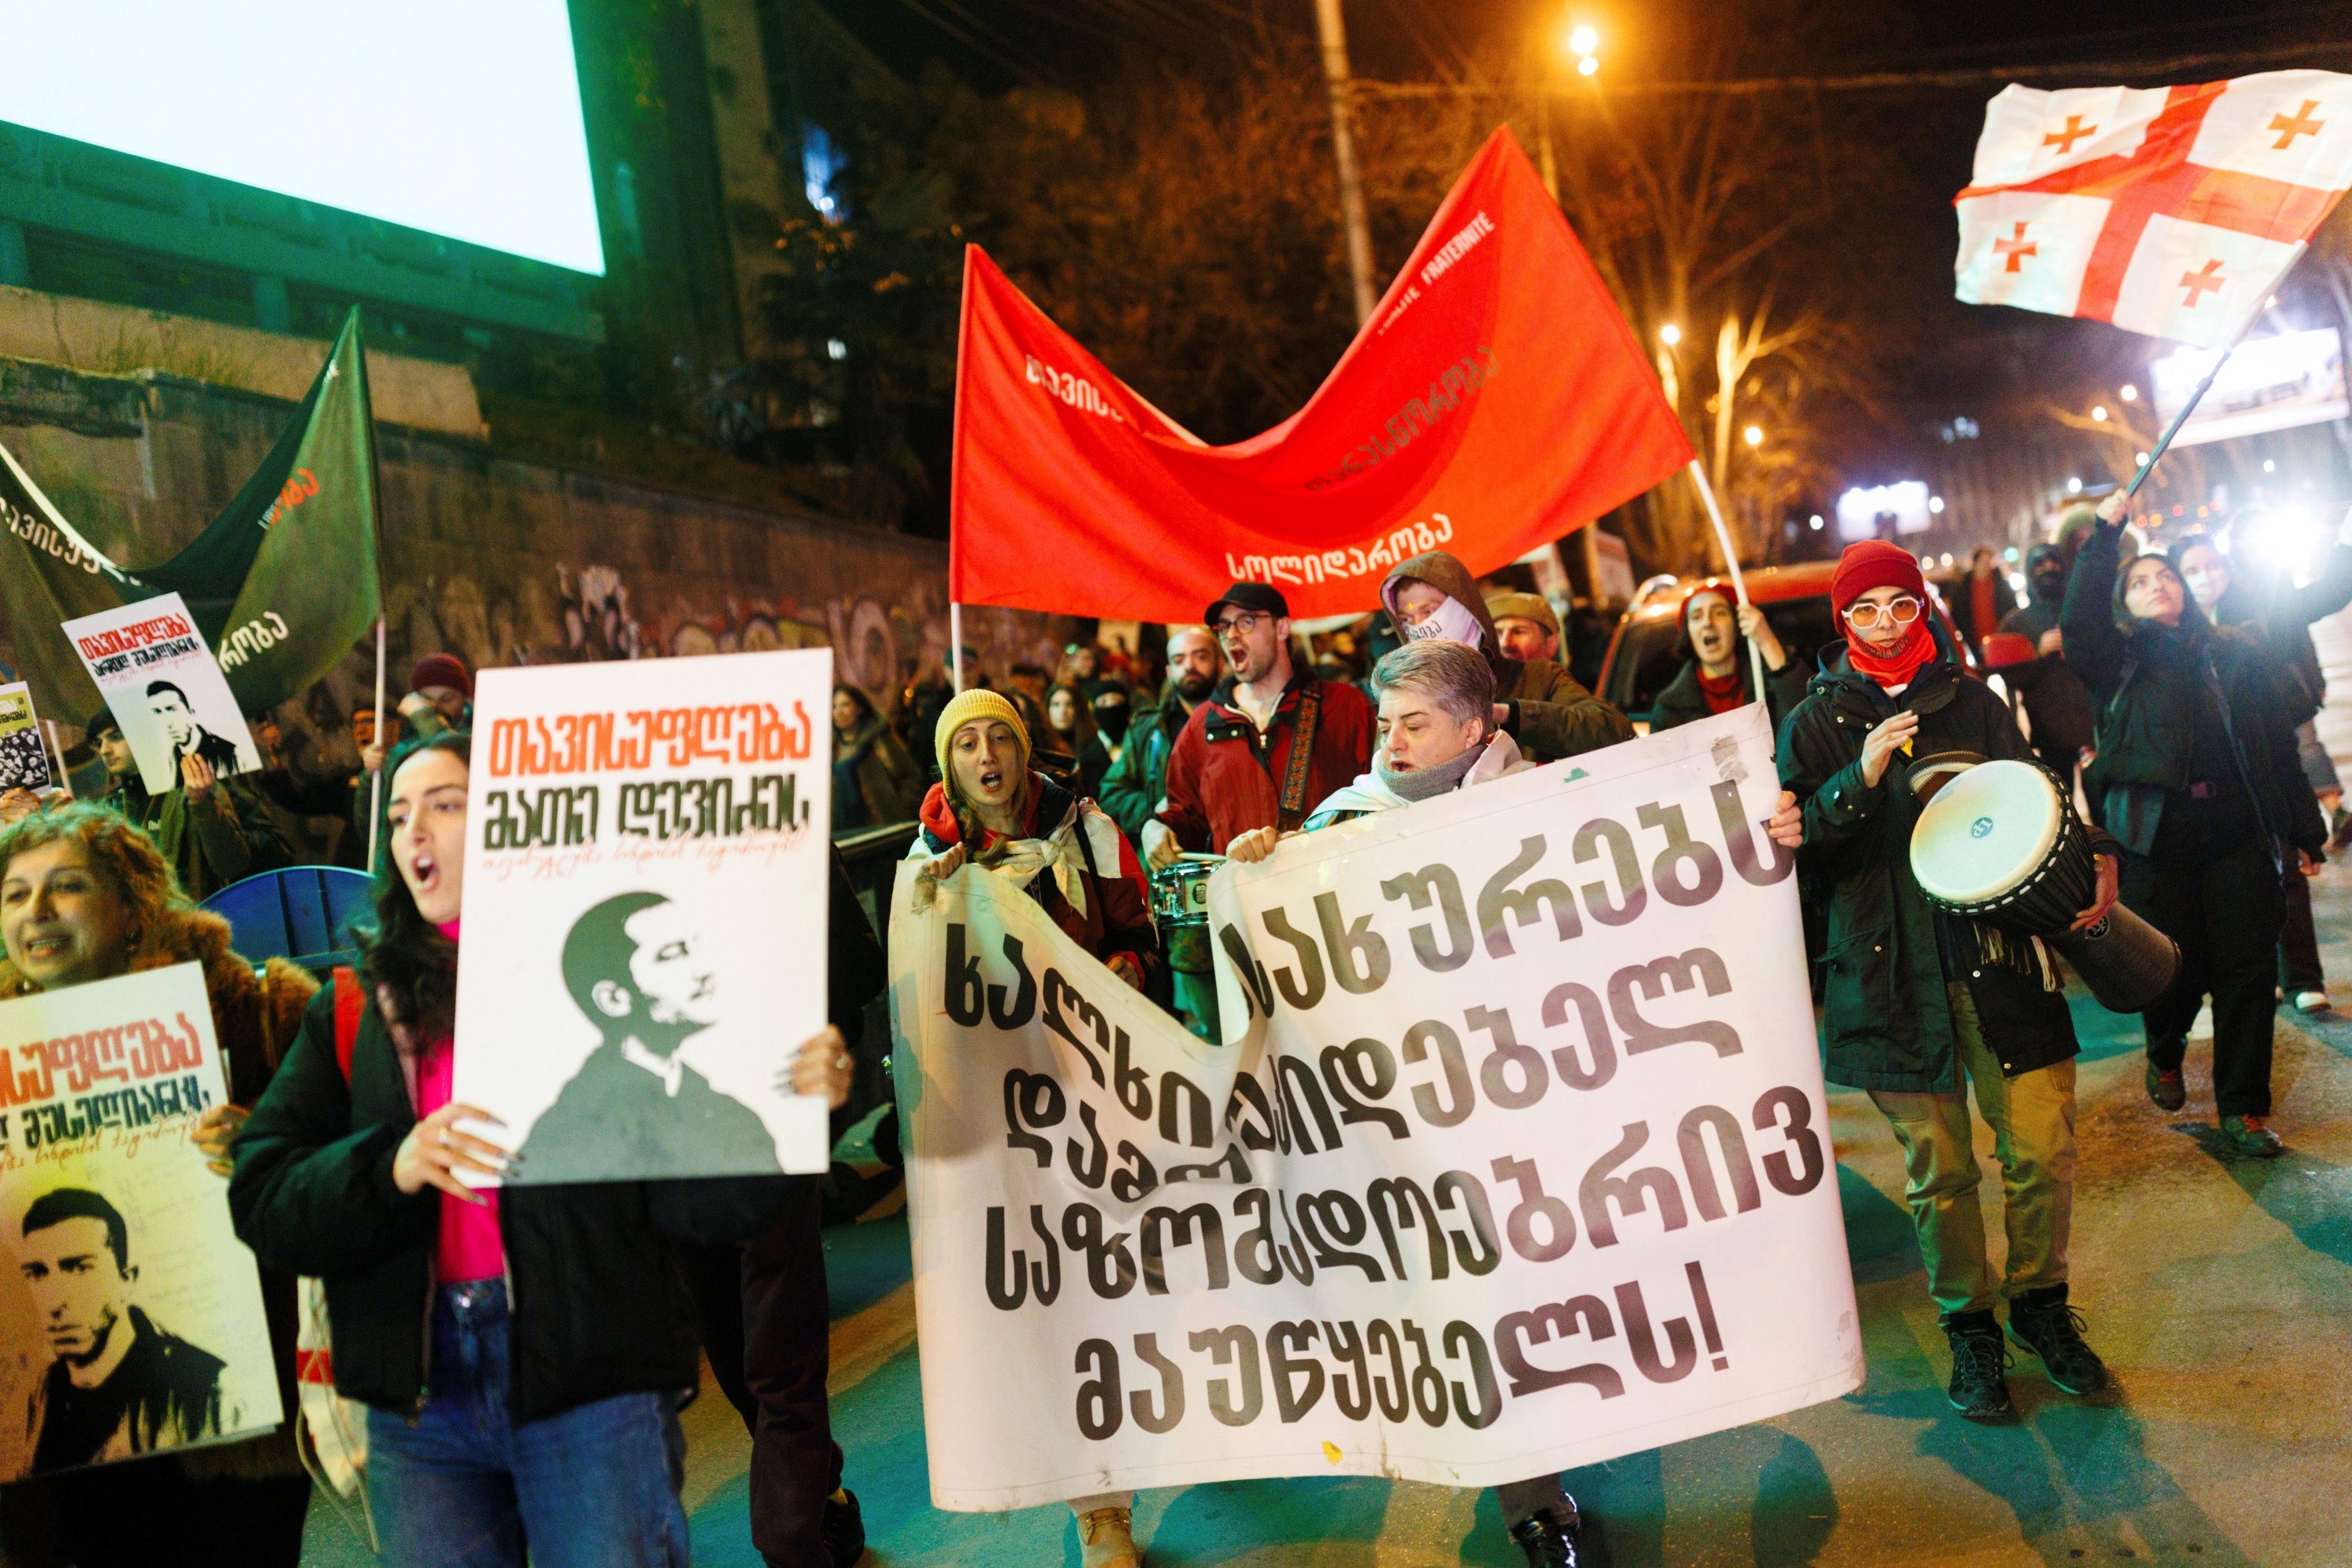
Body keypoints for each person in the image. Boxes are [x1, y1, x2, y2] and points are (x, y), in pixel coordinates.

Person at [228, 731, 855, 1567]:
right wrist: (392, 1166)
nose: (416, 828)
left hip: (591, 1379)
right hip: (423, 1406)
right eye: (401, 813)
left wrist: (790, 1112)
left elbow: (699, 1205)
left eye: (445, 804)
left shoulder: (590, 1004)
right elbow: (263, 1189)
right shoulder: (351, 1011)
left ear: (507, 825)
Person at [1231, 641, 1786, 1566]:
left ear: (1476, 726)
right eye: (1386, 723)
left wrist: (1762, 830)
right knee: (1476, 1304)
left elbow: (1655, 895)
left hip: (1544, 1114)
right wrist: (1260, 872)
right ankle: (1536, 1502)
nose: (1393, 741)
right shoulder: (1338, 826)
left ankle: (1593, 1425)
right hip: (1422, 1125)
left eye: (1415, 722)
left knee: (1557, 1294)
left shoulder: (1554, 809)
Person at [1782, 539, 2120, 1420]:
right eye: (1865, 609)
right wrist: (1858, 777)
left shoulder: (1972, 698)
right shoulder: (1814, 716)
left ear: (1923, 607)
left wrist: (2085, 863)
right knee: (1939, 1171)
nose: (1885, 624)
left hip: (1999, 955)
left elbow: (2033, 794)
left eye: (1900, 604)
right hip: (1890, 972)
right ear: (1842, 621)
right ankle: (1969, 1327)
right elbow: (1798, 846)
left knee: (2042, 1146)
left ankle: (2042, 1306)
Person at [0, 800, 318, 1566]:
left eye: (65, 886)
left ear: (133, 909)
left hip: (232, 1419)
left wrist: (264, 1153)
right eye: (14, 892)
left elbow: (350, 1195)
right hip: (59, 1432)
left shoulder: (259, 1014)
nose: (35, 912)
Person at [908, 691, 1159, 1568]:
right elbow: (912, 1001)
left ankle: (1163, 1448)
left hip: (1101, 1092)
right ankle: (1102, 1510)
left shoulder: (1087, 832)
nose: (987, 755)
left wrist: (1103, 975)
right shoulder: (927, 859)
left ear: (1024, 751)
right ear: (949, 763)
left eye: (1000, 738)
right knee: (1057, 1306)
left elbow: (1146, 938)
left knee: (1124, 1292)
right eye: (966, 742)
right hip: (1001, 1117)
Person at [2062, 497, 2327, 1157]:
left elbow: (2274, 748)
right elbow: (2078, 622)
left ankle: (2244, 1110)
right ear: (2126, 601)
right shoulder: (2117, 661)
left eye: (2167, 577)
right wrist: (2105, 538)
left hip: (2236, 831)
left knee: (2243, 970)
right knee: (2174, 968)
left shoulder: (2233, 654)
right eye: (2142, 581)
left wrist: (2303, 828)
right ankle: (2166, 1046)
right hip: (2155, 839)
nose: (2158, 586)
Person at [678, 841, 888, 1568]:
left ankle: (793, 1537)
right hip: (675, 1126)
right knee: (734, 1342)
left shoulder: (785, 810)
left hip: (772, 1112)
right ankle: (815, 1494)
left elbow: (860, 966)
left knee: (777, 1350)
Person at [2176, 520, 2352, 1012]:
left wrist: (2342, 544)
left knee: (2287, 867)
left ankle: (2303, 977)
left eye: (2211, 564)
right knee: (2236, 881)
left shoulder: (2262, 606)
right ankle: (2262, 971)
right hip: (2208, 779)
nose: (2205, 576)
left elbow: (2331, 591)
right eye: (2191, 569)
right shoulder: (2169, 634)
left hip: (2267, 756)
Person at [514, 891, 786, 1182]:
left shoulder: (731, 1117)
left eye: (697, 947)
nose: (706, 970)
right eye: (673, 954)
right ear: (614, 1000)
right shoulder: (565, 1137)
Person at [1142, 584, 1377, 869]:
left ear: (1282, 628)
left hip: (1341, 887)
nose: (1231, 635)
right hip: (1244, 901)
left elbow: (1378, 796)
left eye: (1246, 622)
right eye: (1225, 626)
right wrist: (1156, 828)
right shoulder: (1200, 727)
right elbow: (1186, 816)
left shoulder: (1344, 706)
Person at [19, 1188, 230, 1471]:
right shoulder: (39, 1395)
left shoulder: (207, 1388)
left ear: (127, 1281)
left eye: (79, 1268)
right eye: (37, 1273)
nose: (55, 1302)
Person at [1379, 551, 1633, 763]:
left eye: (1429, 611)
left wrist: (1509, 715)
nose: (1420, 626)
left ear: (1463, 608)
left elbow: (1613, 732)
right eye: (1406, 619)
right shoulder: (1401, 700)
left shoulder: (1538, 678)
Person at [86, 706, 285, 905]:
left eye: (116, 737)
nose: (104, 751)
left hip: (197, 924)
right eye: (98, 742)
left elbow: (231, 865)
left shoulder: (193, 789)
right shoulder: (109, 807)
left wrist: (200, 803)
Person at [1100, 626, 1221, 844]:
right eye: (1178, 660)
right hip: (1173, 860)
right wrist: (1154, 811)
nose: (1189, 666)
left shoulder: (1242, 721)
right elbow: (1112, 795)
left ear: (1220, 663)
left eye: (1200, 656)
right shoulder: (1148, 729)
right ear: (1168, 672)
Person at [1996, 540, 2099, 787]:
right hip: (2051, 734)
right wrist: (2038, 654)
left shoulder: (2083, 612)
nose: (2048, 569)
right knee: (2062, 808)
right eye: (2040, 565)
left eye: (2053, 562)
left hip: (2092, 729)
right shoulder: (2017, 623)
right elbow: (2011, 676)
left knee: (2102, 807)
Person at [1646, 583, 1805, 732]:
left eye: (1720, 613)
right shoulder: (1670, 709)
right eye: (1697, 617)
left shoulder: (1770, 686)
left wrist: (1766, 641)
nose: (1708, 622)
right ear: (1689, 633)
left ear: (1737, 624)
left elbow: (1808, 720)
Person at [831, 684, 926, 830]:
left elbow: (911, 777)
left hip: (883, 831)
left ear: (859, 709)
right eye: (834, 707)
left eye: (845, 705)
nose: (839, 712)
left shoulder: (879, 739)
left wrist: (900, 811)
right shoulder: (830, 749)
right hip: (845, 835)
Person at [147, 681, 243, 778]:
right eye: (158, 712)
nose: (167, 722)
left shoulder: (231, 754)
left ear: (191, 713)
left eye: (172, 709)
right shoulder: (169, 760)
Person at [1946, 546, 2017, 658]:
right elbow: (1957, 616)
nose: (1986, 566)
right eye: (1982, 562)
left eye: (1989, 561)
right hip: (1974, 644)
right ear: (1975, 564)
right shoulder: (1963, 590)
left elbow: (2013, 611)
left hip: (2000, 642)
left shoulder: (2002, 586)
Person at [1045, 681, 1112, 798]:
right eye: (1056, 705)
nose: (1062, 711)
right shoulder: (1042, 747)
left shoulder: (1094, 750)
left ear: (1079, 709)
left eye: (1069, 705)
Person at [400, 652, 472, 741]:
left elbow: (453, 749)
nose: (436, 707)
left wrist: (425, 719)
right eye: (427, 700)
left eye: (447, 699)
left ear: (465, 698)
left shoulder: (481, 732)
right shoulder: (409, 737)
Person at [1484, 591, 1563, 667]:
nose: (1505, 643)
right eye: (1497, 633)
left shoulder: (1561, 681)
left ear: (1551, 644)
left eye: (1519, 632)